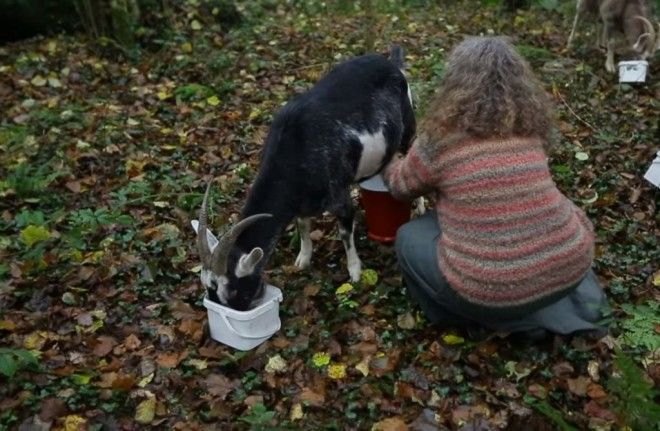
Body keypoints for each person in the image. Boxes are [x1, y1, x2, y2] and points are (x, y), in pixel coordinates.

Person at [383, 37, 609, 339]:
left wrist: (389, 161)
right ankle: (551, 305)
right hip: (573, 265)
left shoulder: (440, 139)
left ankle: (463, 317)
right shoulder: (529, 130)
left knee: (408, 236)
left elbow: (400, 187)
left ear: (455, 82)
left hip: (486, 292)